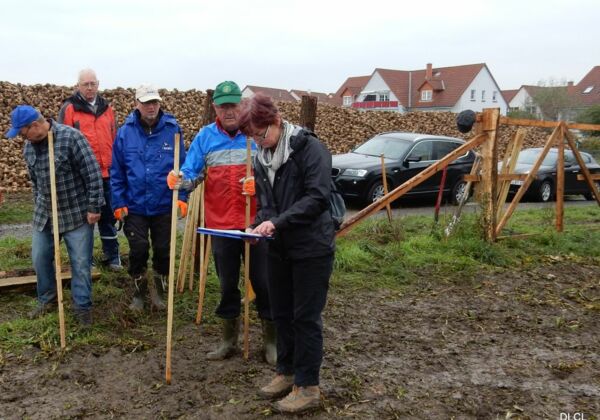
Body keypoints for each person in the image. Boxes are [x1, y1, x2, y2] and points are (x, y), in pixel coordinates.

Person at [237, 93, 336, 414]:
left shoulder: (310, 150)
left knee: (305, 318)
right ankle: (286, 371)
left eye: (261, 134)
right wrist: (256, 226)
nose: (258, 142)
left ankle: (308, 387)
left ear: (276, 121)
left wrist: (276, 223)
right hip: (278, 248)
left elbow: (317, 198)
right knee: (281, 313)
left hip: (311, 248)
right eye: (252, 137)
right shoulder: (261, 159)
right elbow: (267, 205)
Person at [166, 81, 275, 365]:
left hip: (255, 223)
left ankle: (271, 343)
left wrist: (259, 184)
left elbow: (276, 172)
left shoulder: (255, 133)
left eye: (233, 105)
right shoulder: (204, 138)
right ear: (215, 107)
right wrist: (181, 182)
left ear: (242, 105)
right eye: (223, 105)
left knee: (263, 283)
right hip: (220, 225)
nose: (229, 111)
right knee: (227, 285)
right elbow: (192, 173)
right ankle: (228, 341)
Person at [5, 105, 104, 327]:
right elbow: (35, 184)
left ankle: (82, 307)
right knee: (40, 258)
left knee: (80, 263)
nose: (23, 138)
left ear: (35, 126)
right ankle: (47, 299)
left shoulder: (72, 138)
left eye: (23, 133)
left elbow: (93, 174)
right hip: (45, 216)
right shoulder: (29, 148)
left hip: (76, 214)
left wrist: (94, 207)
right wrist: (37, 205)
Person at [111, 85, 187, 312]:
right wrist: (118, 202)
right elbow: (117, 171)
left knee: (163, 249)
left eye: (154, 102)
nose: (151, 106)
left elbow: (182, 167)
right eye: (146, 103)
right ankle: (138, 292)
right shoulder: (125, 132)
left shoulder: (173, 130)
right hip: (134, 205)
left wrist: (182, 196)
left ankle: (160, 291)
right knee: (139, 249)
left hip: (164, 204)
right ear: (137, 104)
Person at [58, 68, 121, 270]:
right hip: (82, 176)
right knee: (84, 220)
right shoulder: (69, 109)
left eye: (93, 83)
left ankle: (112, 256)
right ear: (78, 86)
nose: (90, 87)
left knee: (108, 215)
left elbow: (114, 137)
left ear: (98, 84)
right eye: (85, 84)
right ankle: (86, 260)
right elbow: (62, 141)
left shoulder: (107, 108)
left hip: (107, 172)